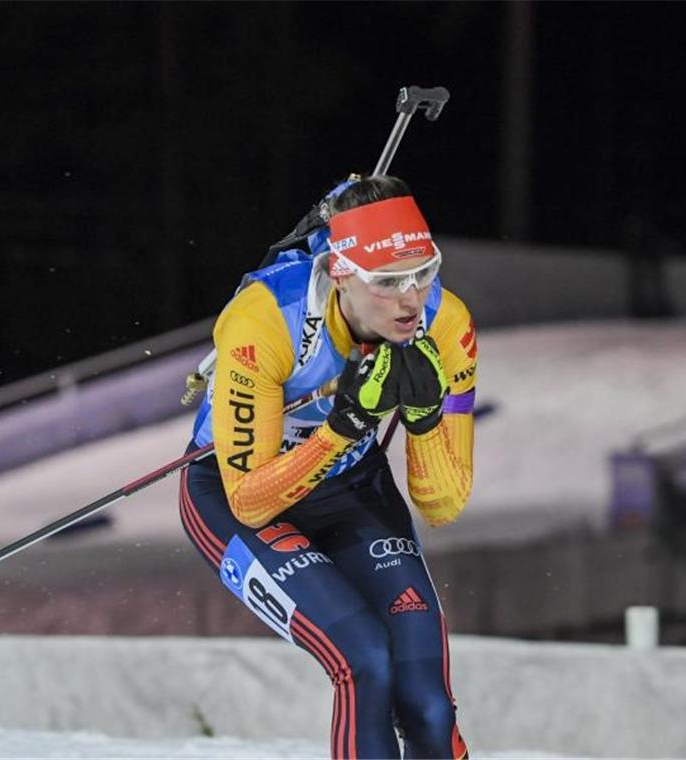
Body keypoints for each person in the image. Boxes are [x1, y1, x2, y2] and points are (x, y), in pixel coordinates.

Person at [179, 175, 477, 759]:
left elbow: (444, 506)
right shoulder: (264, 320)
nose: (410, 299)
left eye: (423, 273)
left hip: (351, 487)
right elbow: (252, 502)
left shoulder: (445, 325)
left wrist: (422, 419)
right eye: (388, 282)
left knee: (427, 703)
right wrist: (342, 428)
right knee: (363, 658)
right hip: (238, 493)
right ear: (341, 273)